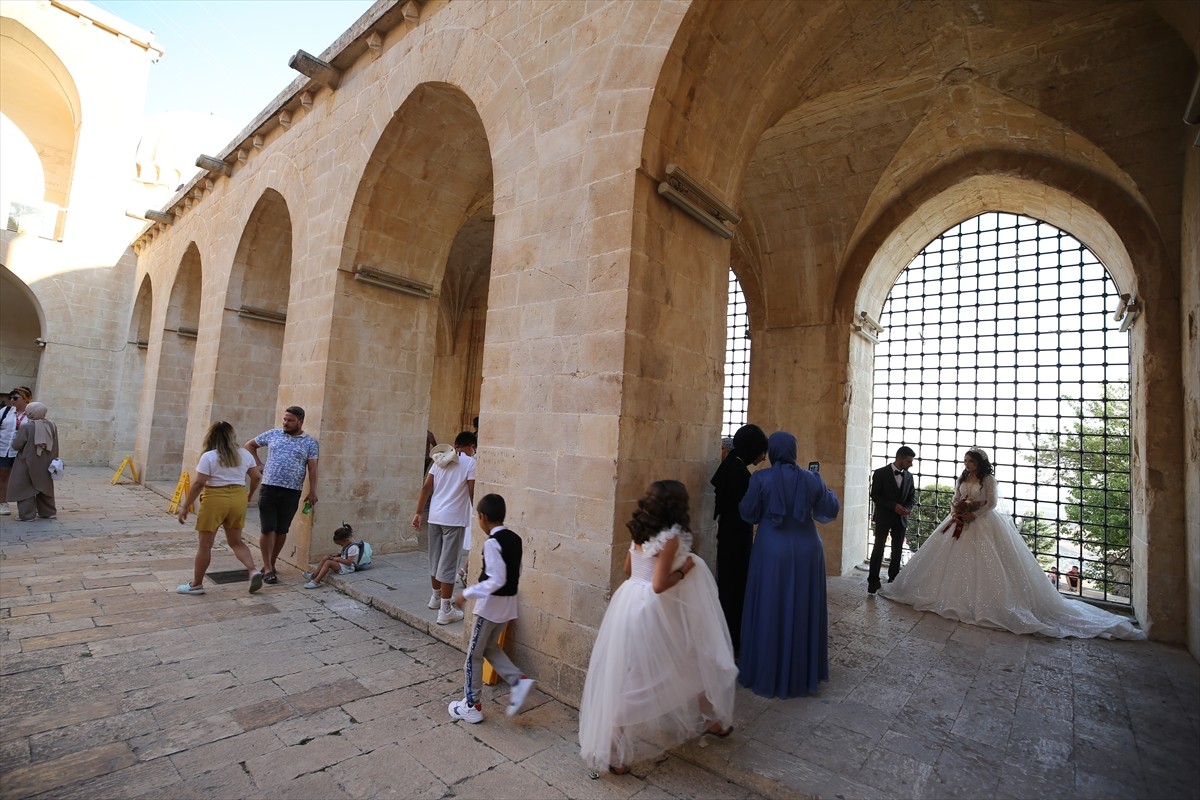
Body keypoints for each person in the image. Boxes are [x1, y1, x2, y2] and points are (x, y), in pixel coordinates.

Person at [879, 447, 1146, 640]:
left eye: (970, 461)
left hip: (982, 522)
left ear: (979, 463)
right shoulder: (963, 479)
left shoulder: (988, 480)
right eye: (965, 461)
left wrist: (973, 513)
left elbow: (992, 503)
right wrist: (957, 510)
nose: (967, 464)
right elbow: (955, 497)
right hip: (959, 521)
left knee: (986, 563)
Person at [579, 480, 737, 775]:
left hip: (627, 601)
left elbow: (628, 570)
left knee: (678, 663)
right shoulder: (672, 537)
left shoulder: (640, 530)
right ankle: (613, 738)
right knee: (654, 676)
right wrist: (684, 569)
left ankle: (714, 719)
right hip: (650, 609)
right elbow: (660, 584)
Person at [737, 431, 840, 699]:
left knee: (770, 605)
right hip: (808, 549)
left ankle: (766, 669)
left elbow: (748, 512)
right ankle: (801, 671)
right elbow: (830, 507)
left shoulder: (761, 478)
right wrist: (821, 487)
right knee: (802, 606)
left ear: (772, 451)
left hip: (771, 549)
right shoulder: (811, 477)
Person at [447, 493, 536, 724]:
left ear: (483, 517)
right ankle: (518, 680)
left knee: (473, 656)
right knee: (488, 648)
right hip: (507, 606)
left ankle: (471, 704)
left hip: (491, 609)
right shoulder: (515, 539)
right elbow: (516, 572)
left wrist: (466, 594)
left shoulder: (492, 543)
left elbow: (496, 579)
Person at [176, 421, 264, 595]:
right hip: (238, 496)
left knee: (205, 545)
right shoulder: (245, 455)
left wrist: (185, 506)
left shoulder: (209, 456)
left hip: (215, 498)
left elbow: (199, 483)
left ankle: (196, 585)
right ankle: (252, 570)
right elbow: (256, 477)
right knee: (236, 541)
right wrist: (249, 495)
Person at [709, 423, 769, 655]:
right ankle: (733, 642)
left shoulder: (733, 464)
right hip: (736, 538)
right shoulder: (739, 472)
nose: (763, 457)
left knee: (729, 587)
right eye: (762, 451)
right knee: (734, 589)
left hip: (729, 534)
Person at [245, 406, 319, 584]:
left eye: (290, 420)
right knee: (267, 528)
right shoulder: (273, 434)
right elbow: (249, 445)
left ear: (300, 422)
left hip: (292, 491)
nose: (285, 423)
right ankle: (268, 568)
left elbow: (313, 468)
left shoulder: (310, 442)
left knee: (281, 530)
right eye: (285, 419)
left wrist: (312, 491)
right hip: (269, 488)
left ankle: (271, 562)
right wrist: (258, 464)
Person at [412, 431, 477, 625]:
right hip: (454, 519)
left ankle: (435, 597)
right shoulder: (470, 463)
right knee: (449, 562)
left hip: (435, 516)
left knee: (435, 557)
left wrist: (417, 513)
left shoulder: (438, 459)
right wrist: (477, 513)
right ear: (470, 446)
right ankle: (445, 609)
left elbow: (426, 488)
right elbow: (472, 490)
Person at [867, 446, 917, 594]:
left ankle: (893, 581)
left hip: (901, 519)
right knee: (878, 549)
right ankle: (873, 582)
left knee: (897, 550)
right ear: (900, 458)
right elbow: (875, 495)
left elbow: (912, 498)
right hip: (884, 517)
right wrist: (893, 506)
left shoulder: (909, 476)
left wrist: (907, 508)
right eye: (909, 461)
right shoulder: (880, 473)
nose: (911, 464)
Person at [7, 401, 59, 521]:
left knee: (25, 487)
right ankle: (48, 512)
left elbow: (17, 445)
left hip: (27, 461)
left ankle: (27, 515)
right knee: (45, 487)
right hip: (46, 461)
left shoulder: (27, 426)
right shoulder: (52, 425)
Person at [0, 387, 33, 516]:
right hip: (3, 450)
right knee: (3, 476)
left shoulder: (32, 414)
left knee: (25, 478)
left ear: (25, 399)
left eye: (15, 398)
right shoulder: (5, 411)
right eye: (11, 397)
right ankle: (2, 502)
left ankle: (26, 505)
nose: (12, 400)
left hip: (22, 453)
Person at [303, 523, 361, 589]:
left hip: (348, 568)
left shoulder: (353, 548)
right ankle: (314, 575)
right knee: (326, 558)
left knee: (328, 562)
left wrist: (338, 559)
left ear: (347, 540)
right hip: (343, 564)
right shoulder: (347, 544)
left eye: (341, 544)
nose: (341, 546)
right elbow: (345, 554)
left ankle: (316, 581)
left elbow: (349, 562)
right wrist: (337, 555)